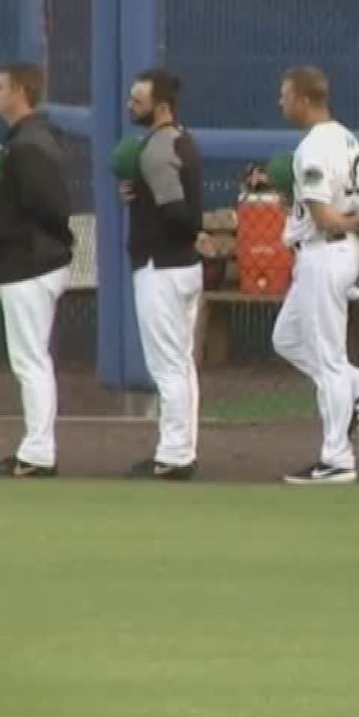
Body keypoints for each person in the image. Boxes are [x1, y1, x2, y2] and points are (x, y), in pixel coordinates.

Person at [273, 66, 359, 485]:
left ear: (305, 99)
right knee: (286, 339)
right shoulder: (347, 137)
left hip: (325, 252)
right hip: (334, 251)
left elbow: (323, 217)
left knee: (328, 360)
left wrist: (352, 220)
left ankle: (337, 459)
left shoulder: (315, 146)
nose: (280, 101)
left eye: (285, 95)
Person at [0, 63, 74, 480]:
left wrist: (4, 223)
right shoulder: (24, 140)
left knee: (31, 361)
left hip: (31, 262)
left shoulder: (30, 144)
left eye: (0, 87)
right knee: (31, 359)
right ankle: (36, 449)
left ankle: (38, 453)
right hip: (29, 260)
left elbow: (49, 207)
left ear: (20, 92)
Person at [120, 68, 212, 481]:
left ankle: (174, 455)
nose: (130, 106)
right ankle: (180, 449)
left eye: (137, 100)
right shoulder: (181, 140)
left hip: (163, 268)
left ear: (160, 106)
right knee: (181, 364)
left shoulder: (157, 149)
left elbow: (176, 213)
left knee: (168, 367)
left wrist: (185, 232)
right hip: (183, 268)